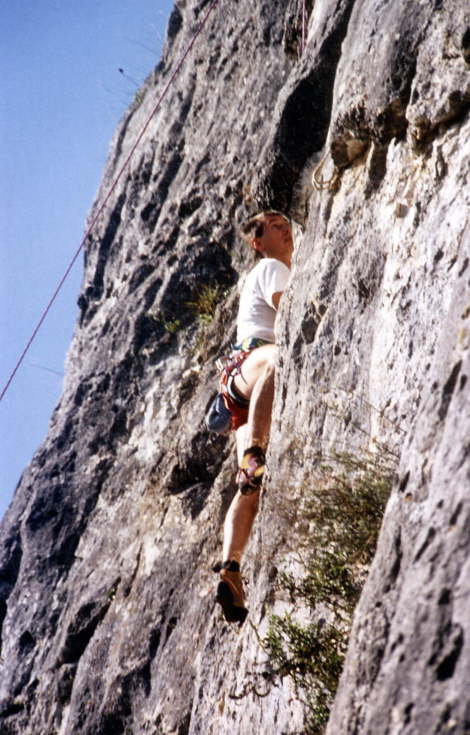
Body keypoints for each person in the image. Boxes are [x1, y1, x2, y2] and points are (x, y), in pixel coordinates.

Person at [211, 210, 293, 624]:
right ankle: (255, 451)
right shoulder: (271, 267)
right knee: (282, 356)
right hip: (252, 363)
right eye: (273, 226)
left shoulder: (265, 269)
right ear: (258, 243)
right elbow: (289, 310)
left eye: (285, 222)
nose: (284, 227)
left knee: (249, 488)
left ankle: (231, 569)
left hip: (242, 391)